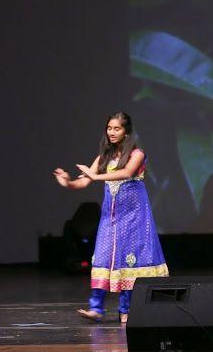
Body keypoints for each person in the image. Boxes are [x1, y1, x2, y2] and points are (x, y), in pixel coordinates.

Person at [53, 111, 169, 323]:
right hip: (111, 218)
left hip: (133, 217)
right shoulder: (104, 157)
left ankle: (126, 310)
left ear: (126, 132)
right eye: (109, 128)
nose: (112, 132)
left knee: (128, 260)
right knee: (102, 256)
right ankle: (96, 308)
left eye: (117, 128)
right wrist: (68, 182)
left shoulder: (137, 154)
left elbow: (126, 173)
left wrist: (95, 175)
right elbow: (83, 181)